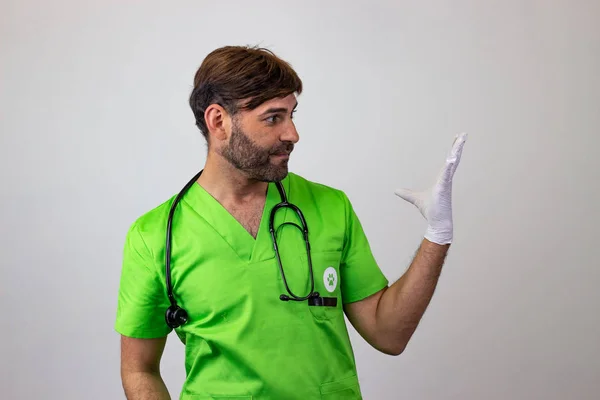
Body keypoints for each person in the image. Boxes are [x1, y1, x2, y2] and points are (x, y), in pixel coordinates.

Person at [114, 45, 467, 400]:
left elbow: (388, 334)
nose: (292, 134)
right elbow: (139, 368)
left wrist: (437, 235)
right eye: (273, 118)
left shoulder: (330, 207)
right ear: (218, 121)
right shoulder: (155, 236)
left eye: (292, 115)